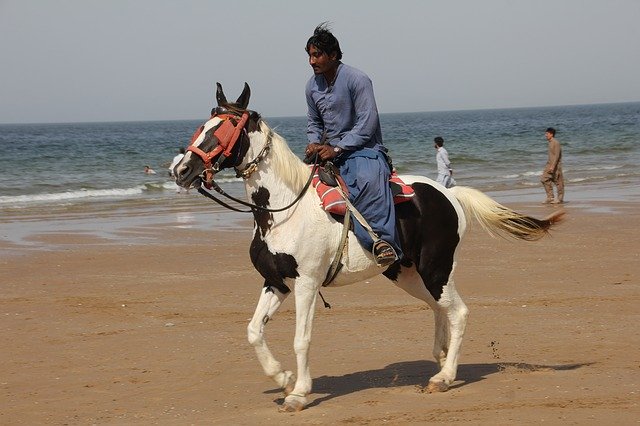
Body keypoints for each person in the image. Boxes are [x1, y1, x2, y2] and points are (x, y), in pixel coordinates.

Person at [304, 23, 401, 267]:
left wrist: (337, 148)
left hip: (364, 151)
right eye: (309, 55)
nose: (311, 61)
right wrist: (314, 143)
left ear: (333, 55)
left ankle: (382, 241)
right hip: (329, 152)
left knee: (368, 182)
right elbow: (314, 121)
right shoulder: (311, 86)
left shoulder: (358, 79)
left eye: (317, 55)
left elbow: (367, 123)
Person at [540, 127, 564, 204]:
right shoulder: (550, 142)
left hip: (556, 165)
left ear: (551, 134)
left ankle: (559, 199)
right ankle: (550, 197)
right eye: (546, 133)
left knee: (558, 182)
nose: (545, 135)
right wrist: (549, 165)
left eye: (547, 134)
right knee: (543, 179)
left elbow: (557, 156)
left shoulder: (556, 143)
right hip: (549, 164)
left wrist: (553, 166)